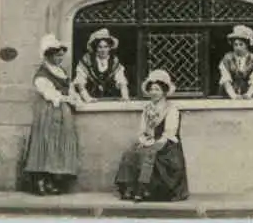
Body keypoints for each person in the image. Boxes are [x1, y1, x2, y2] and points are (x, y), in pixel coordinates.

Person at [114, 69, 190, 202]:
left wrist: (155, 144)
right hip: (150, 140)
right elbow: (143, 130)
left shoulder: (171, 109)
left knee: (149, 155)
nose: (154, 92)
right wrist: (143, 140)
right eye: (151, 89)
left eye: (157, 89)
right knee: (130, 153)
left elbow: (169, 133)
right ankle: (130, 189)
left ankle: (144, 190)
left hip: (167, 145)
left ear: (164, 91)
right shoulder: (147, 109)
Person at [22, 35, 82, 196]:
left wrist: (75, 97)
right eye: (57, 55)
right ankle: (39, 181)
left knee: (57, 146)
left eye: (61, 55)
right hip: (48, 110)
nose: (60, 58)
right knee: (46, 143)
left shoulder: (61, 71)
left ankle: (50, 181)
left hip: (63, 112)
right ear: (49, 55)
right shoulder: (42, 75)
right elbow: (50, 94)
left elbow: (69, 88)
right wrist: (66, 98)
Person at [74, 28, 129, 102]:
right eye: (100, 47)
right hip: (89, 98)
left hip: (110, 99)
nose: (103, 50)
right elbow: (80, 83)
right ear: (96, 48)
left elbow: (121, 81)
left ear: (110, 48)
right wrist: (87, 98)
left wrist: (125, 96)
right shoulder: (87, 60)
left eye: (106, 47)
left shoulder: (114, 61)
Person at [219, 25, 253, 99]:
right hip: (228, 94)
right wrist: (233, 96)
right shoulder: (227, 58)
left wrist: (248, 95)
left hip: (248, 93)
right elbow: (225, 79)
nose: (238, 47)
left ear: (247, 45)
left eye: (241, 44)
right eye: (235, 45)